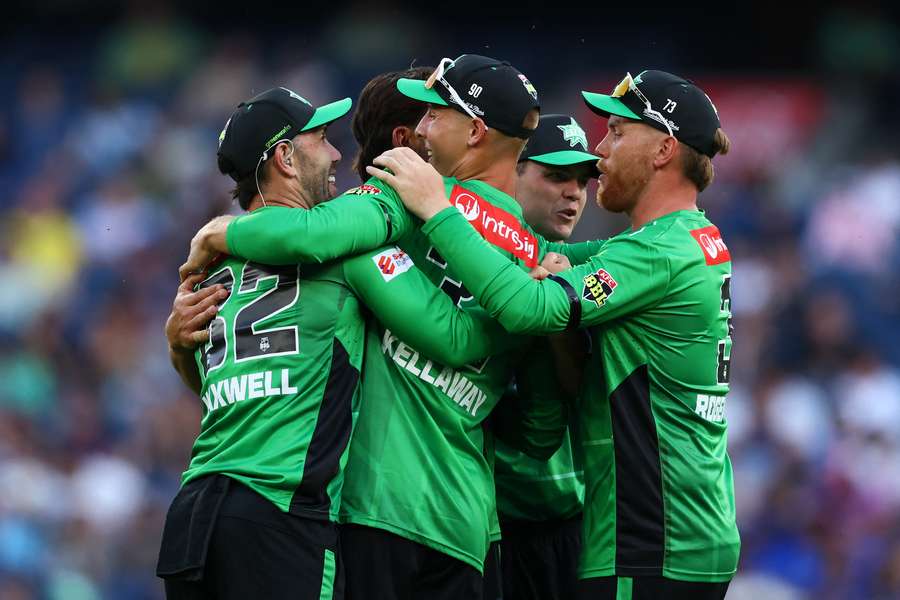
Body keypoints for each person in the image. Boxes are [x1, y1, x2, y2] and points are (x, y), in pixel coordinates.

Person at [174, 55, 600, 599]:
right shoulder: (538, 262)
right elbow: (538, 432)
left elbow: (312, 233)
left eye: (433, 114)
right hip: (468, 528)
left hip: (374, 510)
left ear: (473, 131)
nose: (420, 127)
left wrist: (220, 232)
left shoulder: (404, 198)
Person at [368, 69, 739, 600]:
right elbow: (539, 261)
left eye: (616, 132)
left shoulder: (655, 253)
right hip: (682, 530)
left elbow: (527, 308)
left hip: (650, 539)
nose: (601, 149)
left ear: (663, 149)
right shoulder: (684, 241)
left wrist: (436, 208)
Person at [493, 114, 599, 600]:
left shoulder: (590, 279)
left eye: (583, 180)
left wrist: (558, 312)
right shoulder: (467, 261)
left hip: (570, 525)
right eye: (556, 176)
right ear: (510, 171)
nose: (574, 193)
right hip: (489, 521)